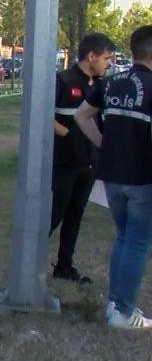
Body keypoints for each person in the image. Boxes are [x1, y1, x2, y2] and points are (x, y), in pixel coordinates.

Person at [74, 25, 152, 330]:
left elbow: (81, 115)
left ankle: (114, 303)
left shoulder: (111, 82)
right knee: (137, 242)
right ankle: (123, 312)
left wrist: (103, 144)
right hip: (142, 177)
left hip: (112, 175)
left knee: (123, 236)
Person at [50, 34, 115, 283]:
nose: (109, 63)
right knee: (54, 215)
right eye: (106, 58)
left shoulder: (101, 85)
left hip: (89, 163)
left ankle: (64, 266)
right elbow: (43, 112)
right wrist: (66, 133)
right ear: (92, 56)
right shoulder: (64, 80)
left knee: (75, 215)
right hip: (64, 163)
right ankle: (29, 267)